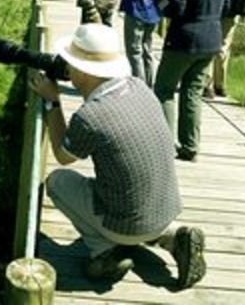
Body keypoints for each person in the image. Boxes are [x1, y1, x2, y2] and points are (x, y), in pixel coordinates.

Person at [29, 23, 206, 288]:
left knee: (58, 181)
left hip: (127, 223)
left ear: (83, 70)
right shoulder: (140, 87)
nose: (66, 68)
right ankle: (173, 237)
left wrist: (52, 101)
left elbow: (63, 155)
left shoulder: (91, 117)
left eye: (71, 62)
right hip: (165, 209)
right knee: (132, 194)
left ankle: (105, 253)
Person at [154, 0, 229, 162]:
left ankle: (164, 145)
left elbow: (178, 8)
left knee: (164, 89)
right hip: (211, 41)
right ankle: (190, 146)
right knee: (193, 93)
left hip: (183, 40)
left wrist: (162, 6)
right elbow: (224, 5)